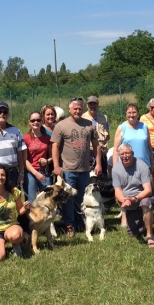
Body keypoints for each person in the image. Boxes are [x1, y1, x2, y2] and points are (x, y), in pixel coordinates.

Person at [51, 98, 102, 238]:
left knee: (82, 197)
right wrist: (56, 166)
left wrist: (98, 163)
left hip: (85, 169)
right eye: (75, 109)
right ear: (69, 109)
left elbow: (96, 145)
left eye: (80, 108)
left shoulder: (89, 124)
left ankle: (80, 222)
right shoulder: (61, 125)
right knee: (67, 199)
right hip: (68, 169)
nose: (78, 111)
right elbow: (54, 146)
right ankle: (69, 224)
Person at [112, 143, 154, 249]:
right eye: (122, 154)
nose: (125, 156)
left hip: (145, 196)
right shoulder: (115, 169)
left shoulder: (142, 166)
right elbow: (117, 191)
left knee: (145, 203)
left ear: (132, 153)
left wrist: (134, 198)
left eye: (127, 153)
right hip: (129, 200)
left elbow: (148, 190)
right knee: (133, 232)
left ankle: (150, 236)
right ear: (119, 155)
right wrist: (124, 200)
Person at [112, 103, 154, 169]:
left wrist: (152, 165)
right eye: (129, 112)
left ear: (138, 114)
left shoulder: (144, 127)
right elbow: (116, 150)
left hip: (144, 166)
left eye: (134, 112)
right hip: (126, 167)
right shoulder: (121, 128)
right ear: (126, 114)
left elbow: (149, 147)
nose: (131, 115)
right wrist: (115, 168)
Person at [23, 110, 52, 202]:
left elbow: (52, 156)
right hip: (30, 173)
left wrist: (47, 161)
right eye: (33, 120)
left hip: (44, 172)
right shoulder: (25, 138)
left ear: (42, 121)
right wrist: (36, 173)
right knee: (32, 201)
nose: (36, 122)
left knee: (47, 200)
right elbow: (24, 160)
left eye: (38, 120)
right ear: (29, 122)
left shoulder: (47, 138)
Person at [82, 96, 110, 177]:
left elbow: (108, 136)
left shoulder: (104, 118)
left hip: (102, 154)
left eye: (95, 104)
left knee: (103, 180)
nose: (93, 106)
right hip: (88, 155)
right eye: (90, 104)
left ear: (98, 105)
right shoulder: (82, 118)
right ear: (87, 106)